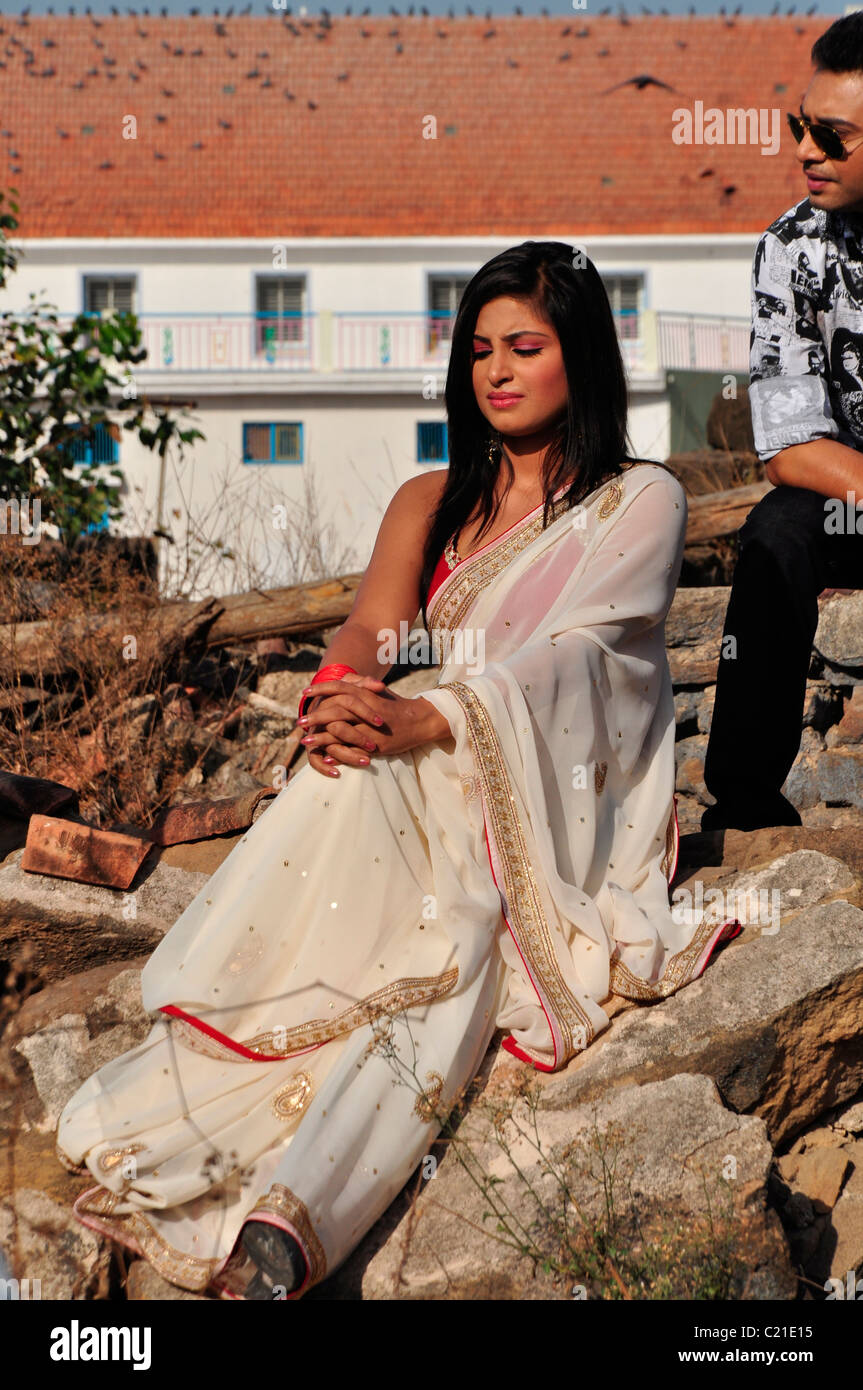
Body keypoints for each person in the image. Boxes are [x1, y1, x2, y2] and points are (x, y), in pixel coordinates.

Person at [57, 241, 740, 1300]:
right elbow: (374, 627)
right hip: (433, 762)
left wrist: (436, 716)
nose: (496, 372)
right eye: (478, 351)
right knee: (355, 787)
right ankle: (253, 1169)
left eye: (525, 346)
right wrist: (339, 697)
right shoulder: (433, 498)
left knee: (470, 914)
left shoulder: (635, 500)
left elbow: (589, 658)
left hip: (555, 806)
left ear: (583, 358)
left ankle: (293, 1221)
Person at [702, 11, 863, 833]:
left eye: (832, 136)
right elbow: (788, 442)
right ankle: (743, 807)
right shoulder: (789, 246)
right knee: (775, 533)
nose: (805, 150)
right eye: (801, 126)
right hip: (851, 497)